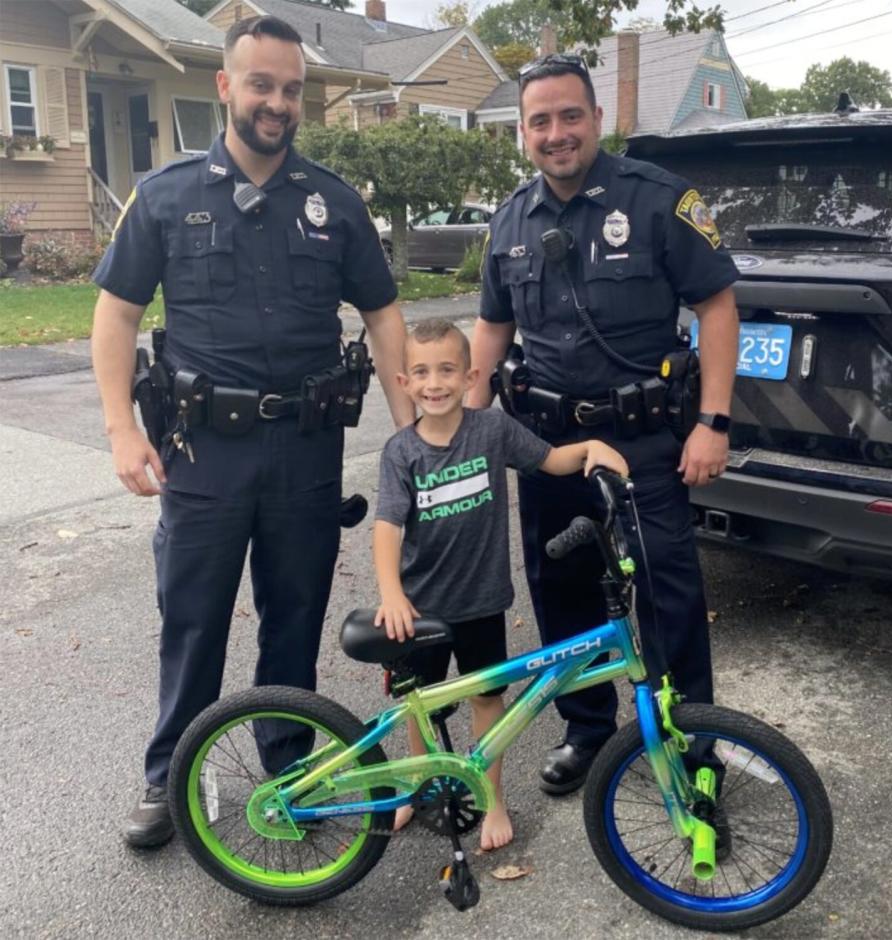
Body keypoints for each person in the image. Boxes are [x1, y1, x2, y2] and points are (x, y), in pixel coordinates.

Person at [91, 15, 413, 848]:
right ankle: (171, 779)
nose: (277, 102)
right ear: (225, 87)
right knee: (193, 621)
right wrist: (122, 430)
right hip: (204, 452)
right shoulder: (164, 196)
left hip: (306, 450)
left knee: (295, 619)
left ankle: (290, 774)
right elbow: (115, 316)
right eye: (261, 84)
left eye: (291, 88)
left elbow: (383, 316)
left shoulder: (334, 204)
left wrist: (412, 436)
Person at [467, 54, 740, 796]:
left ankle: (694, 743)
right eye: (540, 121)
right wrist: (467, 420)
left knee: (665, 591)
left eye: (570, 116)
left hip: (643, 439)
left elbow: (717, 307)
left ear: (596, 119)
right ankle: (587, 727)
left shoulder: (657, 200)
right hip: (547, 442)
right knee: (561, 589)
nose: (556, 134)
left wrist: (712, 421)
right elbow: (493, 326)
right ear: (522, 133)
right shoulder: (511, 219)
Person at [373, 319, 627, 850]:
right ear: (404, 383)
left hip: (483, 603)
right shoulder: (401, 452)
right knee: (420, 704)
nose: (434, 383)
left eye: (446, 370)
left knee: (489, 703)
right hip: (420, 609)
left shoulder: (492, 431)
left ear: (470, 377)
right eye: (421, 372)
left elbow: (552, 460)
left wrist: (592, 447)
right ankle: (420, 784)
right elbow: (388, 528)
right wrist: (392, 593)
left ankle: (492, 800)